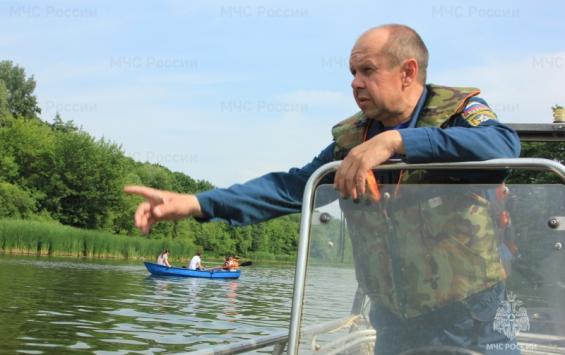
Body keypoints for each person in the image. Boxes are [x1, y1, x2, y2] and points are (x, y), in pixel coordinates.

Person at [125, 24, 521, 354]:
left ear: (407, 71)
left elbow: (504, 146)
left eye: (367, 70)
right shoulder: (351, 140)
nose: (355, 83)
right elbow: (293, 187)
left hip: (471, 320)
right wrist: (196, 202)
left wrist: (398, 143)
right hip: (394, 319)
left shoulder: (457, 114)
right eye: (352, 72)